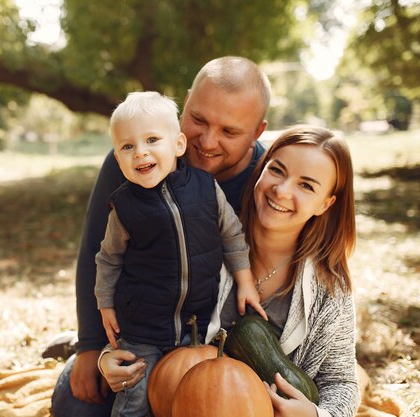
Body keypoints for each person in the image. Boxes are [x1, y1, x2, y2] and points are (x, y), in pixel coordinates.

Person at [51, 56, 271, 417]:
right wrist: (92, 346)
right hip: (142, 329)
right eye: (198, 119)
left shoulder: (268, 180)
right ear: (185, 104)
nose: (207, 141)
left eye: (230, 132)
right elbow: (99, 251)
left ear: (257, 132)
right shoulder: (135, 161)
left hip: (214, 341)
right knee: (77, 405)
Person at [99, 125, 360, 417]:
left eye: (306, 185)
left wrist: (314, 415)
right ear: (261, 170)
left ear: (326, 204)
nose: (282, 190)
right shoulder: (201, 238)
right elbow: (146, 308)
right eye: (277, 170)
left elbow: (341, 383)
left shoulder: (330, 287)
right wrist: (107, 359)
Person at [96, 91, 264, 416]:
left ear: (178, 145)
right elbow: (109, 259)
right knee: (136, 399)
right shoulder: (125, 208)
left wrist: (244, 280)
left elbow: (231, 234)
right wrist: (105, 303)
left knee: (196, 400)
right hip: (143, 327)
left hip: (197, 326)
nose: (140, 152)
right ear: (118, 159)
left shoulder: (205, 187)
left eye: (152, 140)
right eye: (127, 147)